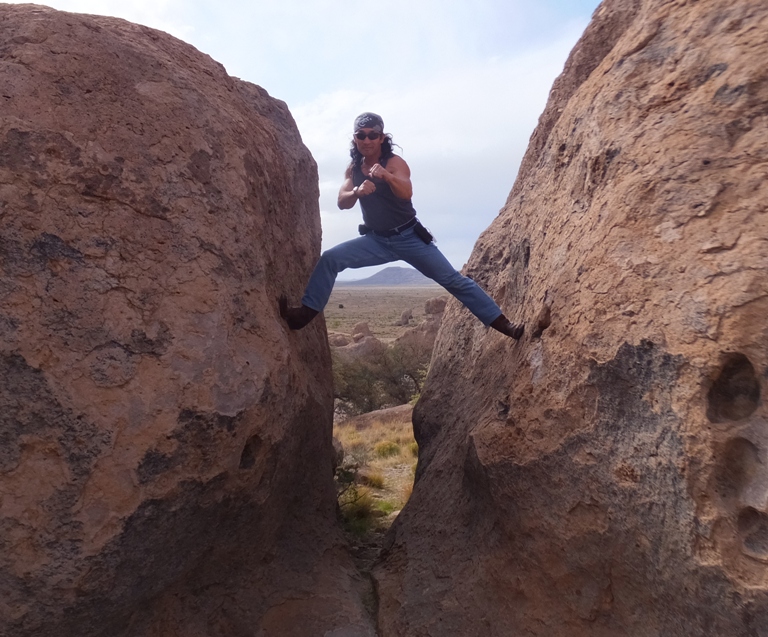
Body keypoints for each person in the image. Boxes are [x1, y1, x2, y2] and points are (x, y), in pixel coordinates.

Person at [280, 112, 524, 340]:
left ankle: (505, 325)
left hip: (409, 237)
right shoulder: (353, 169)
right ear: (354, 138)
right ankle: (303, 316)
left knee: (454, 281)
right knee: (331, 259)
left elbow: (406, 192)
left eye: (372, 135)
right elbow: (342, 202)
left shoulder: (395, 162)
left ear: (382, 138)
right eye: (361, 135)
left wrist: (387, 176)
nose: (366, 140)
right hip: (376, 240)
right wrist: (357, 190)